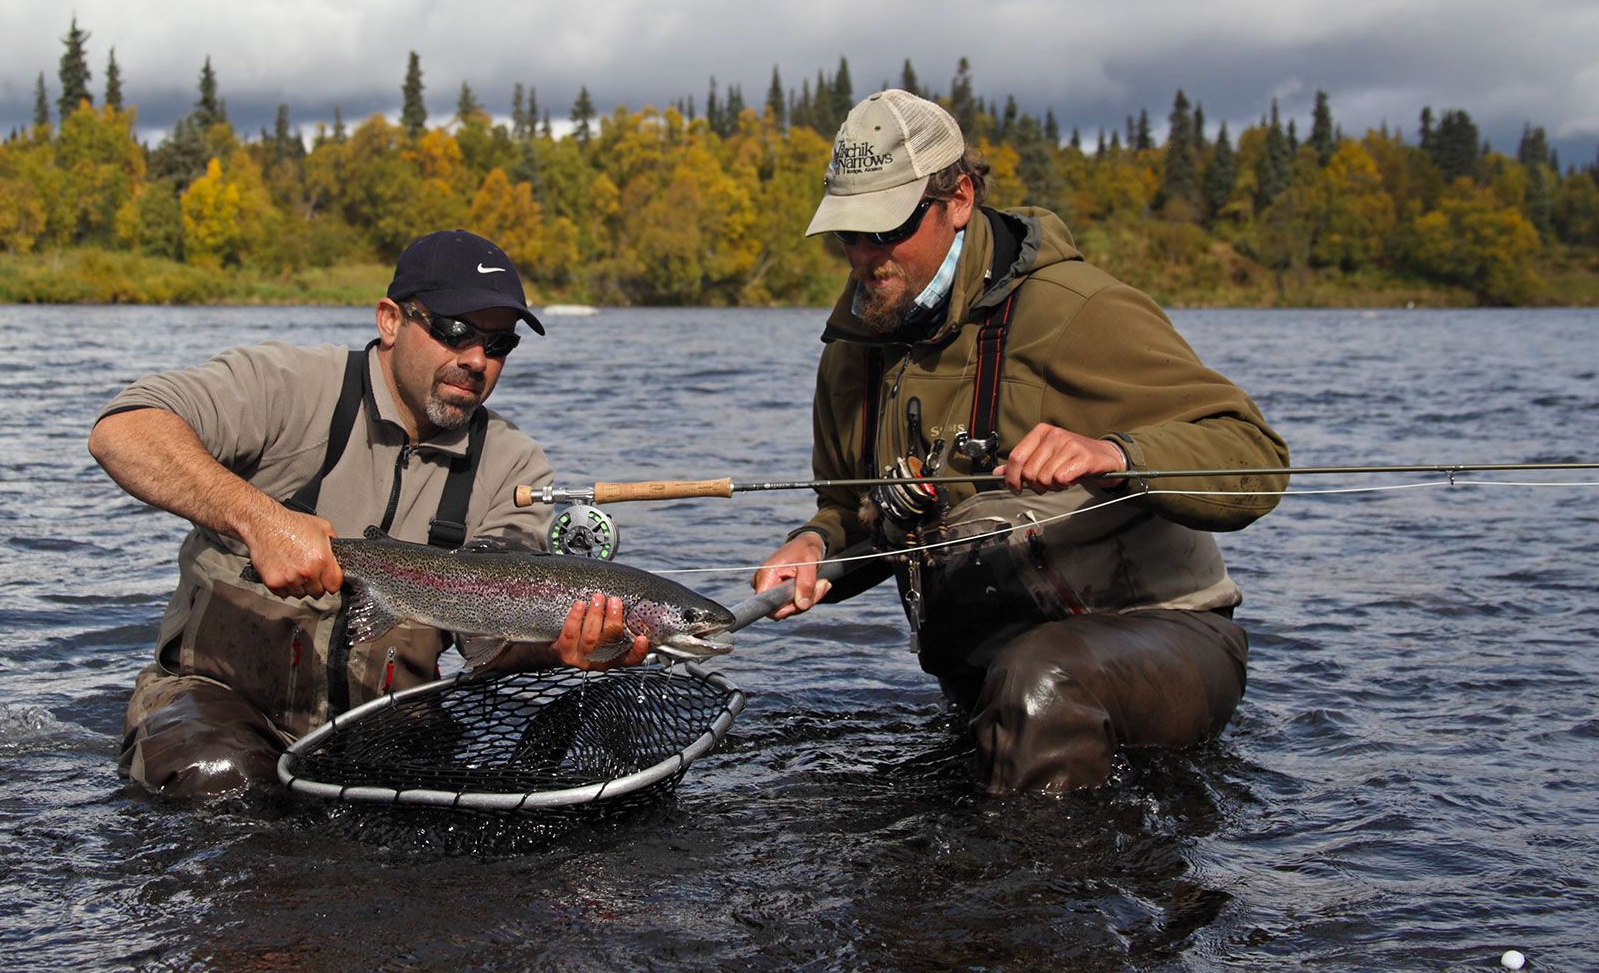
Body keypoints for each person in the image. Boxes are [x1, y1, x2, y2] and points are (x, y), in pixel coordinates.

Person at [753, 90, 1289, 794]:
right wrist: (815, 546)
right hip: (997, 676)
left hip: (1173, 638)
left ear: (960, 198)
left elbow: (1254, 455)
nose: (865, 254)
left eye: (887, 227)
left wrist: (1117, 455)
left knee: (1040, 681)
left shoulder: (1075, 311)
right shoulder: (853, 351)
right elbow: (856, 511)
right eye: (849, 234)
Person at [90, 229, 647, 798]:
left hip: (387, 727)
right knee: (227, 785)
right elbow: (124, 430)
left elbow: (489, 646)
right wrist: (259, 519)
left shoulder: (514, 468)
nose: (477, 360)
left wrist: (557, 645)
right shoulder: (286, 385)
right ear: (390, 320)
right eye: (456, 330)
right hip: (217, 701)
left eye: (499, 344)